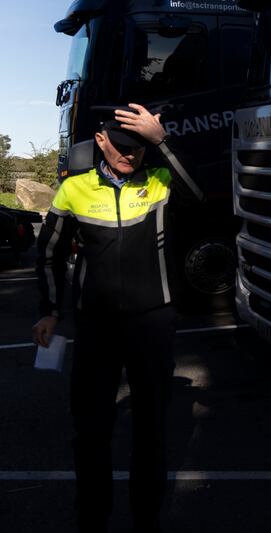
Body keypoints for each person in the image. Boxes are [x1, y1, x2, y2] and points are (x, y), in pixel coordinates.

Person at [32, 104, 203, 533]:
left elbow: (198, 196)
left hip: (152, 323)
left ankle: (146, 517)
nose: (132, 155)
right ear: (101, 140)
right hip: (97, 328)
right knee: (90, 431)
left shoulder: (160, 181)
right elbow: (49, 254)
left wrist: (161, 139)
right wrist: (50, 311)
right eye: (123, 146)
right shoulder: (74, 190)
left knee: (151, 431)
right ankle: (92, 516)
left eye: (140, 147)